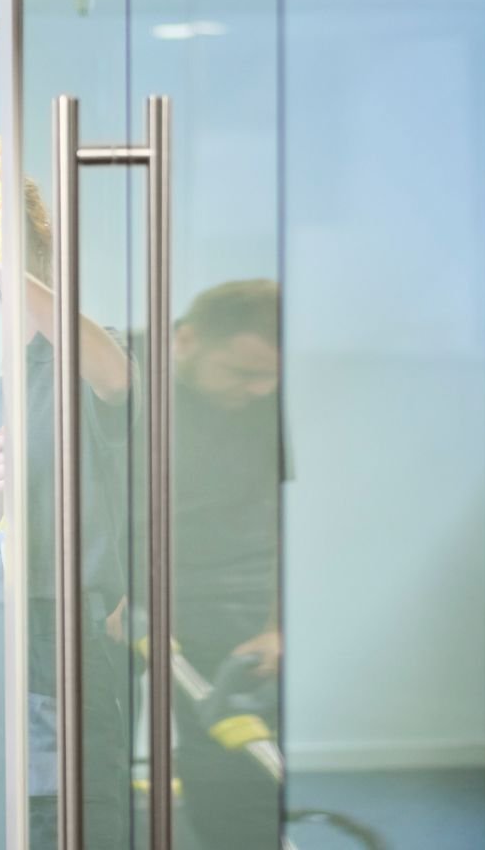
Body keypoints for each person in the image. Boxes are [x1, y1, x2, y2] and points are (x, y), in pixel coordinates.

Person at [0, 178, 135, 850]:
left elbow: (114, 377)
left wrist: (2, 256)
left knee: (86, 812)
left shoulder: (98, 358)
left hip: (78, 627)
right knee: (13, 811)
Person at [165, 279, 283, 850]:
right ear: (186, 341)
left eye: (272, 377)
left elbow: (298, 518)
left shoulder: (277, 404)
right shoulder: (131, 382)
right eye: (242, 373)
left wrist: (278, 626)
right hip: (132, 592)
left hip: (237, 597)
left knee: (230, 771)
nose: (259, 389)